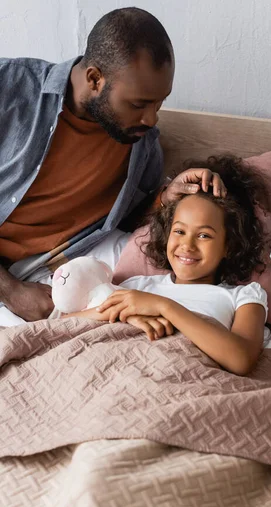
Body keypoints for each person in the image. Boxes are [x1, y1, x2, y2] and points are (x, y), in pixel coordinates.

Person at [0, 7, 225, 323]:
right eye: (138, 104)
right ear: (94, 79)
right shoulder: (10, 88)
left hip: (56, 276)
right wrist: (11, 291)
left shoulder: (141, 144)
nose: (151, 119)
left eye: (159, 103)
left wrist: (165, 199)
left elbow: (128, 221)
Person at [65, 155, 271, 376]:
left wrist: (164, 307)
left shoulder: (245, 297)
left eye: (203, 235)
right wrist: (122, 315)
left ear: (229, 246)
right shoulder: (136, 286)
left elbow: (241, 359)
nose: (187, 245)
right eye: (179, 231)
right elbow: (63, 324)